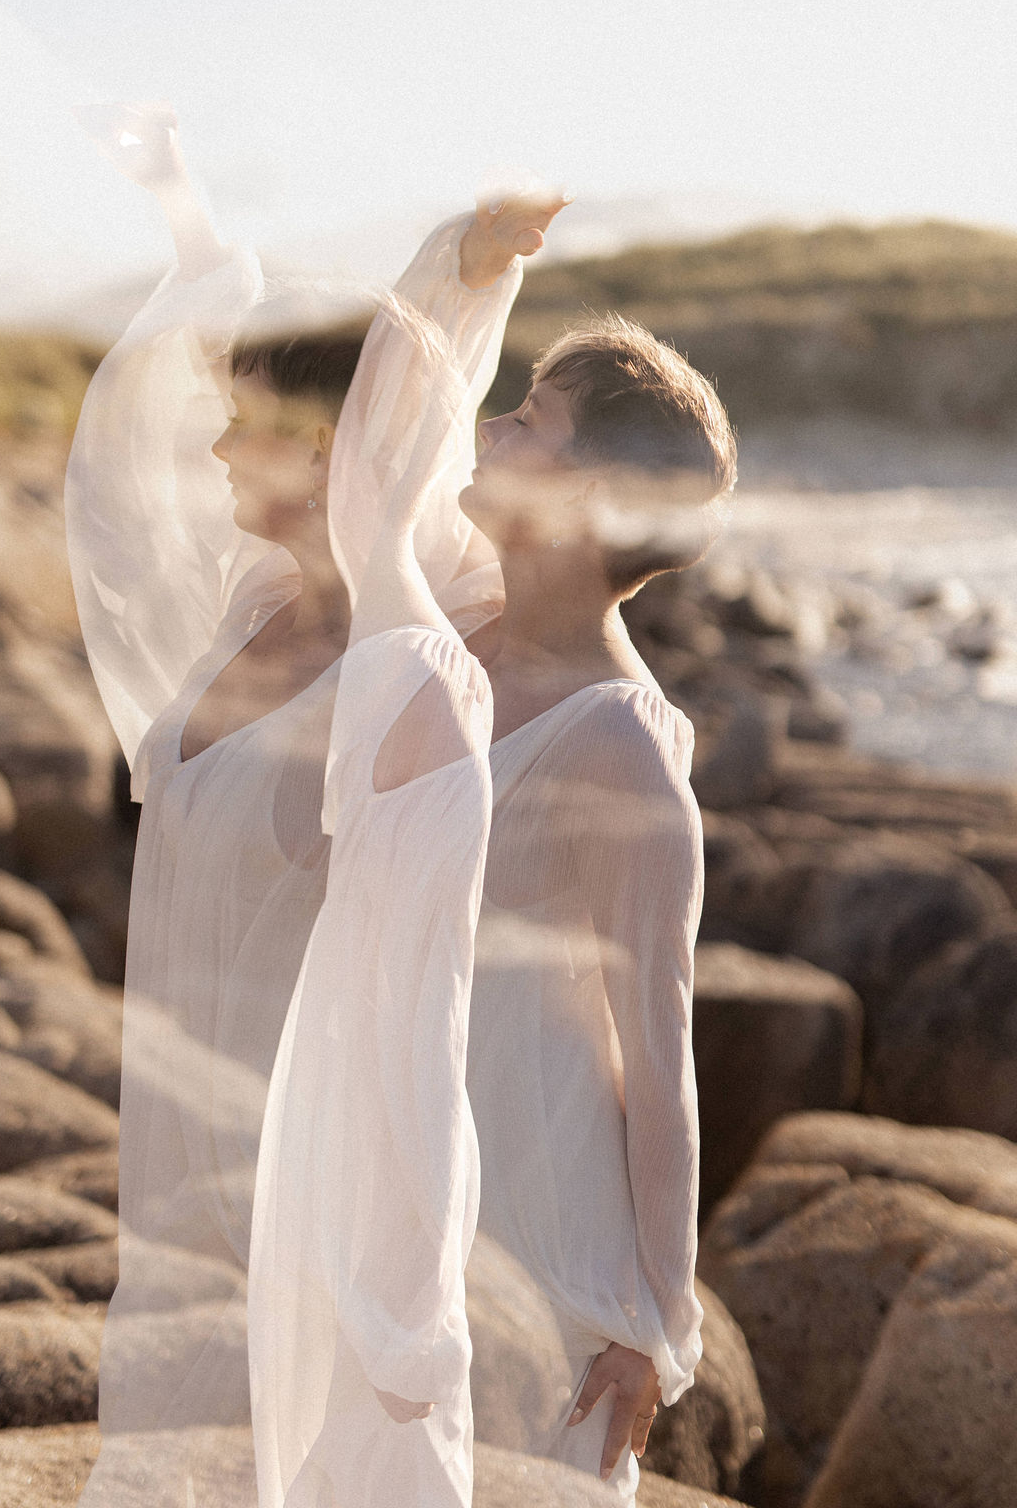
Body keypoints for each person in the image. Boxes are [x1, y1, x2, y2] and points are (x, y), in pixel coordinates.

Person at [65, 103, 564, 1507]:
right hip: (280, 1144)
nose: (215, 457)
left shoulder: (402, 653)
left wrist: (411, 1308)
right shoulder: (288, 607)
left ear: (335, 449)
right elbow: (323, 387)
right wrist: (181, 202)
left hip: (350, 1155)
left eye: (245, 432)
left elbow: (424, 1017)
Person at [457, 319, 736, 1501]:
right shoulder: (448, 649)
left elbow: (657, 1051)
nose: (486, 427)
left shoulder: (620, 747)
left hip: (543, 1240)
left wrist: (652, 1327)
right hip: (417, 1187)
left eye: (527, 420)